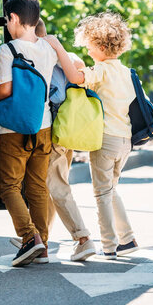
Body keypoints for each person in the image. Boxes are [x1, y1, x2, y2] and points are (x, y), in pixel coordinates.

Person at [44, 12, 139, 260]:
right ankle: (127, 238)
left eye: (88, 47)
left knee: (101, 194)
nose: (87, 52)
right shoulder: (126, 72)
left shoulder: (102, 70)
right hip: (125, 140)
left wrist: (57, 47)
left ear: (99, 46)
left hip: (105, 139)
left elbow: (77, 78)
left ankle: (109, 245)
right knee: (111, 189)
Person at [0, 0, 59, 266]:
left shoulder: (9, 49)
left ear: (15, 18)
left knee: (8, 185)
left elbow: (6, 88)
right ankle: (41, 247)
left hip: (14, 129)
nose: (7, 25)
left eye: (7, 19)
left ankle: (29, 237)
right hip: (43, 126)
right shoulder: (48, 48)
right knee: (38, 187)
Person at [36, 19, 97, 261]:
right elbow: (79, 64)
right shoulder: (65, 56)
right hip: (66, 131)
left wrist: (53, 50)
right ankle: (42, 242)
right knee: (49, 187)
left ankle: (82, 238)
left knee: (56, 186)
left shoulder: (41, 55)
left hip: (52, 131)